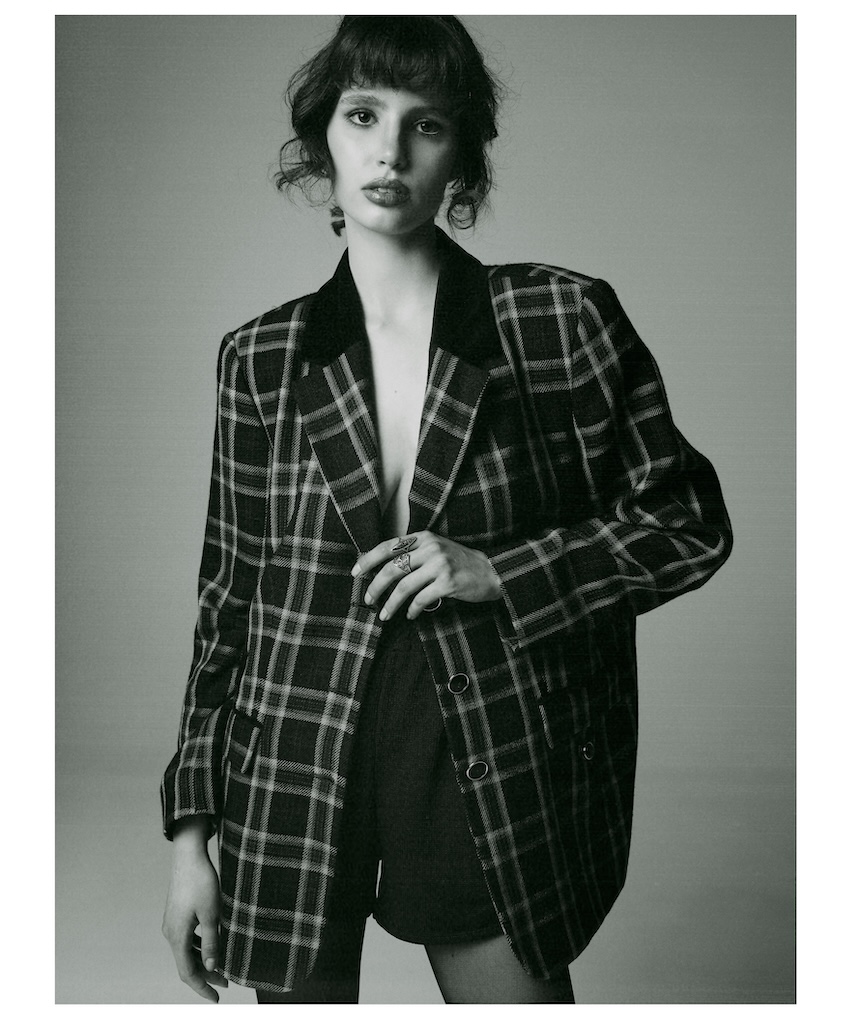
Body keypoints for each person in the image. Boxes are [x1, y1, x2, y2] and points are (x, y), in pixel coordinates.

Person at [160, 15, 732, 1005]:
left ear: (461, 154)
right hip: (292, 753)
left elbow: (684, 524)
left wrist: (498, 570)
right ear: (323, 137)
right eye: (362, 115)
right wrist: (189, 838)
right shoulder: (260, 356)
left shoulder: (556, 319)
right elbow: (230, 602)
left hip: (490, 740)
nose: (389, 151)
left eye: (424, 124)